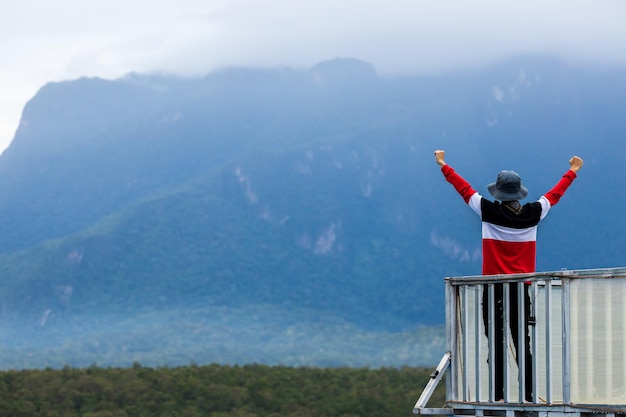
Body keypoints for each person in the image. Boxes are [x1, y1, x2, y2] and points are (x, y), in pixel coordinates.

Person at [434, 149, 583, 402]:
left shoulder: (487, 210)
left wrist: (443, 165)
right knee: (522, 342)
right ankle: (528, 394)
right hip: (521, 288)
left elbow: (464, 189)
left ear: (499, 193)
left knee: (495, 341)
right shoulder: (534, 213)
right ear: (519, 193)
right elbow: (555, 194)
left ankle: (498, 395)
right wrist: (573, 171)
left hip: (492, 288)